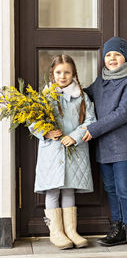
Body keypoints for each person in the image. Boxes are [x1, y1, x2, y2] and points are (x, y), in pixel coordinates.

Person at [82, 36, 127, 251]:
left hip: (123, 144)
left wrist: (92, 129)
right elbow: (83, 96)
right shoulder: (100, 82)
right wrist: (60, 90)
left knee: (125, 188)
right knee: (110, 188)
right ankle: (117, 229)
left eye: (117, 54)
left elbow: (123, 113)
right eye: (108, 55)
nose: (112, 58)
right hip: (103, 145)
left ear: (125, 58)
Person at [29, 54, 96, 249]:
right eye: (58, 72)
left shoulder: (82, 96)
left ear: (73, 73)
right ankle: (56, 232)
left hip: (74, 149)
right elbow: (32, 121)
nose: (62, 76)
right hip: (52, 152)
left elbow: (90, 120)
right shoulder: (45, 96)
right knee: (52, 190)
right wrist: (46, 132)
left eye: (67, 72)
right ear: (52, 74)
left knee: (69, 189)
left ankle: (71, 230)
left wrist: (74, 136)